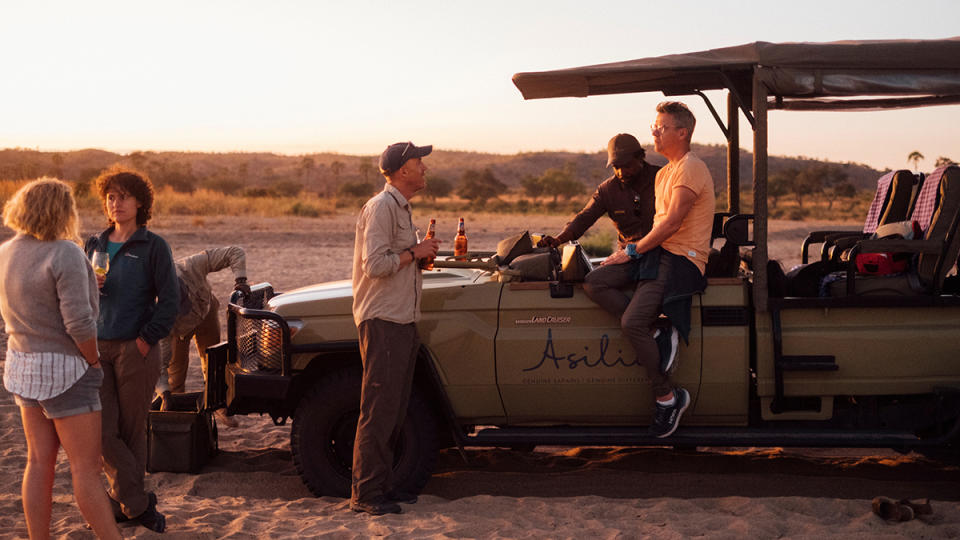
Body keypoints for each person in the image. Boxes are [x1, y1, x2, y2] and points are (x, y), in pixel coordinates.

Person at [582, 102, 715, 438]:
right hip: (657, 253)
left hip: (682, 258)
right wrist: (625, 254)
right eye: (654, 126)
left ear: (681, 133)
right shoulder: (666, 172)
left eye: (662, 127)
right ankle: (659, 330)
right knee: (595, 281)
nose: (654, 131)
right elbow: (657, 225)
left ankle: (667, 397)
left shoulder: (691, 168)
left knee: (631, 322)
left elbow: (671, 224)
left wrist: (631, 252)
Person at [0, 178, 122, 539]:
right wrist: (95, 361)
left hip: (23, 367)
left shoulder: (6, 251)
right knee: (86, 469)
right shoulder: (65, 251)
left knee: (38, 462)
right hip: (67, 372)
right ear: (61, 210)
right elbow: (79, 323)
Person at [84, 166, 178, 533]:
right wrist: (91, 286)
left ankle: (124, 507)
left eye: (123, 196)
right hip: (95, 346)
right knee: (102, 434)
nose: (115, 203)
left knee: (133, 432)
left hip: (135, 348)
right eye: (110, 196)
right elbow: (79, 298)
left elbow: (171, 300)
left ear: (140, 202)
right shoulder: (93, 245)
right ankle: (139, 504)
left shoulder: (153, 246)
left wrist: (146, 338)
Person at [349, 141, 441, 516]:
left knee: (395, 407)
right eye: (420, 162)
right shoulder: (381, 207)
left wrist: (417, 257)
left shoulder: (400, 208)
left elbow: (394, 261)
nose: (424, 168)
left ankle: (383, 487)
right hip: (384, 319)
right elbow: (375, 264)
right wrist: (414, 254)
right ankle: (366, 495)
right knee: (379, 408)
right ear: (403, 170)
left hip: (401, 318)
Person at [156, 246, 250, 429]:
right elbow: (160, 366)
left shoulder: (191, 265)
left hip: (206, 311)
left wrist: (241, 280)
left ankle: (219, 405)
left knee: (214, 360)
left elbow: (235, 252)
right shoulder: (160, 323)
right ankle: (173, 416)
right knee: (175, 376)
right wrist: (164, 394)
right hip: (178, 331)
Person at [539, 133, 659, 250]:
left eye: (627, 166)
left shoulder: (663, 178)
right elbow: (584, 218)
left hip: (662, 252)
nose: (621, 173)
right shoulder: (607, 190)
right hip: (627, 256)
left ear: (640, 158)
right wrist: (558, 240)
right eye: (616, 167)